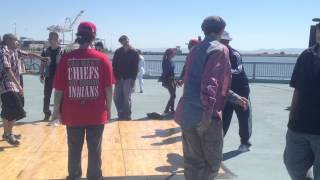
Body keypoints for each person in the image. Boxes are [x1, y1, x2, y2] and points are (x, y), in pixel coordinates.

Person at [175, 16, 247, 180]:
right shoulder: (220, 49)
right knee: (213, 163)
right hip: (206, 117)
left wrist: (234, 97)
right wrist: (206, 116)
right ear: (221, 31)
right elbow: (210, 83)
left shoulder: (194, 50)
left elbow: (196, 81)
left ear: (204, 29)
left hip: (187, 114)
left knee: (192, 162)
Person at [52, 22, 114, 180]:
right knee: (95, 149)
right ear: (93, 37)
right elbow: (108, 89)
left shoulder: (66, 58)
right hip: (96, 114)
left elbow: (59, 89)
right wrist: (109, 110)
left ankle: (74, 176)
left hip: (72, 115)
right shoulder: (103, 59)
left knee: (74, 149)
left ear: (78, 37)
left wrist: (55, 112)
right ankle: (94, 176)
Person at [283, 23, 320, 180]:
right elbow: (297, 89)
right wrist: (292, 118)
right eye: (319, 29)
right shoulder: (306, 55)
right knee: (293, 165)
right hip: (299, 126)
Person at [0, 33, 48, 145]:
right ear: (8, 41)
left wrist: (41, 58)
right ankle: (8, 134)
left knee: (10, 109)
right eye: (15, 40)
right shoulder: (4, 52)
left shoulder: (16, 51)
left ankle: (6, 132)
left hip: (14, 85)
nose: (17, 42)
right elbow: (8, 70)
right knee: (17, 109)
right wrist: (19, 85)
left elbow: (29, 54)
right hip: (5, 85)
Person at [220, 31, 252, 152]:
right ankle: (218, 143)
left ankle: (245, 143)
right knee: (223, 118)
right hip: (226, 91)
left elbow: (238, 70)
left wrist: (220, 72)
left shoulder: (235, 54)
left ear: (227, 42)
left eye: (222, 41)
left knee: (243, 117)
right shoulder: (218, 54)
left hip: (241, 90)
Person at [112, 35, 139, 120]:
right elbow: (114, 65)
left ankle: (127, 115)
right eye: (122, 40)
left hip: (128, 78)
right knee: (116, 97)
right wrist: (114, 78)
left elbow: (135, 67)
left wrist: (133, 80)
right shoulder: (118, 52)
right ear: (121, 42)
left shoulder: (134, 52)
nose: (124, 41)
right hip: (119, 78)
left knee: (127, 97)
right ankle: (120, 112)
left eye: (125, 40)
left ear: (128, 40)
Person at [40, 31, 63, 121]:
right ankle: (46, 114)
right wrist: (41, 74)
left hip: (59, 77)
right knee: (47, 96)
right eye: (51, 38)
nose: (53, 40)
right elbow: (42, 64)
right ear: (49, 39)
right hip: (49, 77)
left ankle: (59, 114)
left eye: (55, 38)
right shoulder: (45, 51)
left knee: (59, 96)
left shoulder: (62, 51)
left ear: (57, 39)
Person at [159, 48, 177, 114]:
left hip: (173, 80)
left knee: (173, 95)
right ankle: (166, 109)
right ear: (170, 54)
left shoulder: (171, 61)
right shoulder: (166, 61)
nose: (175, 54)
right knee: (173, 95)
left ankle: (172, 109)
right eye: (173, 53)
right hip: (168, 80)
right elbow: (165, 72)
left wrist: (175, 79)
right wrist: (164, 81)